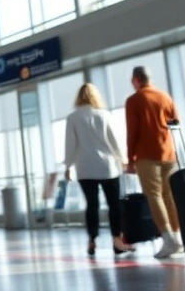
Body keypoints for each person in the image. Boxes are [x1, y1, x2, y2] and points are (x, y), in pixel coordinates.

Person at [63, 83, 134, 257]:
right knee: (114, 205)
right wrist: (123, 160)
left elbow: (70, 144)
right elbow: (114, 140)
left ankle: (92, 241)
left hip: (85, 168)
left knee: (92, 205)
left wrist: (68, 165)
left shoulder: (73, 118)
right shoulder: (104, 115)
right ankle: (117, 241)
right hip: (107, 166)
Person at [125, 65, 183, 259]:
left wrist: (130, 158)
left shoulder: (134, 100)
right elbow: (176, 121)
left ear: (135, 80)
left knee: (154, 195)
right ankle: (177, 237)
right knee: (170, 196)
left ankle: (168, 239)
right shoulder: (165, 97)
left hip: (146, 155)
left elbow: (132, 131)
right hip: (168, 154)